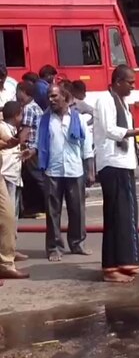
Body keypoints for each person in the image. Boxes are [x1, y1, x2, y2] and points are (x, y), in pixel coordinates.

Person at [95, 65, 139, 283]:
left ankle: (127, 261)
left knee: (127, 216)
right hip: (112, 165)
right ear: (117, 82)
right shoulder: (105, 101)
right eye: (130, 82)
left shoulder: (122, 103)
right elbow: (110, 131)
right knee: (115, 216)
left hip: (125, 164)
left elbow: (126, 137)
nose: (133, 86)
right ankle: (110, 267)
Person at [36, 84, 94, 262]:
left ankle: (77, 243)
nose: (51, 100)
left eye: (54, 96)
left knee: (77, 209)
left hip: (74, 170)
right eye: (49, 96)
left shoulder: (78, 119)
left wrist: (90, 171)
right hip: (52, 171)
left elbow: (87, 148)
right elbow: (39, 144)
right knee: (53, 212)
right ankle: (54, 247)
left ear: (64, 97)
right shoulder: (45, 120)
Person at [0, 101, 28, 261]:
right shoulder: (4, 128)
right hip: (6, 174)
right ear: (17, 115)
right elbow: (8, 142)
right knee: (7, 216)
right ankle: (6, 252)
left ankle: (10, 249)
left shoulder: (11, 129)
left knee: (13, 216)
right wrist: (16, 141)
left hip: (13, 175)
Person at [17, 82, 46, 218]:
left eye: (18, 92)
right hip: (37, 147)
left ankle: (45, 206)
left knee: (35, 178)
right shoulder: (36, 107)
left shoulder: (29, 108)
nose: (17, 95)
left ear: (23, 92)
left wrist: (16, 144)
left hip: (30, 149)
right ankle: (34, 208)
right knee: (31, 178)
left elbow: (26, 130)